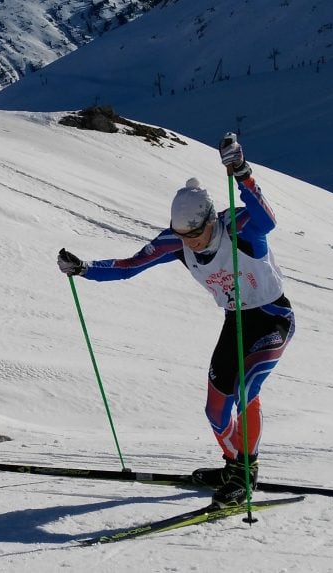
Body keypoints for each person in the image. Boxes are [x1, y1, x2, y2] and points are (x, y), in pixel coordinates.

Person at [57, 133, 295, 507]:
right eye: (184, 235)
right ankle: (233, 465)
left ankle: (245, 474)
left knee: (246, 390)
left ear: (210, 220)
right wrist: (85, 269)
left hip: (271, 318)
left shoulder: (238, 226)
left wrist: (241, 172)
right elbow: (130, 266)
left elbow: (267, 219)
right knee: (215, 409)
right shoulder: (176, 240)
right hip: (235, 320)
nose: (191, 242)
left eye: (196, 233)